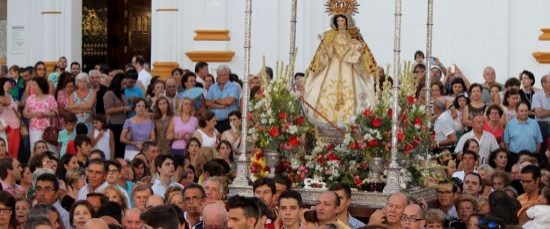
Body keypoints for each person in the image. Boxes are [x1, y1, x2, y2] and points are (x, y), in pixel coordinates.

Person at [306, 14, 378, 126]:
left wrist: (356, 49)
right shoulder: (330, 35)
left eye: (342, 20)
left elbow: (361, 53)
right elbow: (324, 55)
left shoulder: (354, 35)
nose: (340, 23)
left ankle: (352, 125)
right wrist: (325, 50)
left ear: (347, 21)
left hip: (350, 67)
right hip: (332, 68)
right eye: (338, 21)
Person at [23, 77, 58, 152]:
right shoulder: (30, 98)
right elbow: (25, 113)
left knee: (49, 150)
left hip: (48, 130)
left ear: (41, 86)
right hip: (34, 129)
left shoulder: (50, 98)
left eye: (35, 85)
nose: (32, 87)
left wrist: (45, 114)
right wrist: (34, 114)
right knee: (36, 150)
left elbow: (56, 113)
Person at [504, 102, 543, 167]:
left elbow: (538, 142)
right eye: (521, 111)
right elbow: (506, 143)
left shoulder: (534, 123)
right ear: (516, 112)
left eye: (526, 111)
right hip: (515, 157)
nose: (524, 113)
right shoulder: (510, 124)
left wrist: (535, 154)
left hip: (531, 156)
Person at [205, 65, 240, 133]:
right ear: (217, 75)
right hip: (214, 122)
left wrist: (215, 100)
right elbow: (207, 102)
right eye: (221, 75)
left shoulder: (234, 87)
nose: (223, 77)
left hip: (229, 122)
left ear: (228, 75)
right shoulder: (212, 87)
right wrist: (220, 106)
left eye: (225, 75)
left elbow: (228, 101)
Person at [103, 73, 132, 158]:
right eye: (123, 84)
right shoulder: (109, 94)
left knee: (122, 148)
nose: (125, 86)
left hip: (123, 124)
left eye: (125, 84)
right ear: (117, 82)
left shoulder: (122, 94)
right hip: (114, 125)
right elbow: (108, 110)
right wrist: (123, 109)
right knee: (115, 147)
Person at [0, 77, 21, 159]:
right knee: (8, 153)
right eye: (9, 83)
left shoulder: (8, 95)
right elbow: (7, 102)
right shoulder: (3, 96)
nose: (11, 85)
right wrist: (5, 90)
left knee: (14, 152)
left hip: (15, 127)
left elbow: (14, 108)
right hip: (8, 128)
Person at [532, 74, 550, 158]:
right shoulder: (537, 96)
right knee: (541, 150)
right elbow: (539, 114)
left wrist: (544, 111)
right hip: (540, 125)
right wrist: (542, 112)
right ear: (543, 84)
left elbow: (542, 112)